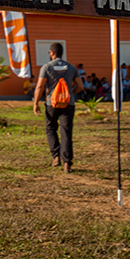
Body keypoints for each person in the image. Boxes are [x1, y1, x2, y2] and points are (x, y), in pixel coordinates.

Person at [32, 42, 84, 173]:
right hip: (68, 103)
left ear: (52, 53)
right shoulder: (72, 68)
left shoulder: (47, 67)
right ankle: (67, 163)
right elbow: (80, 86)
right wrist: (70, 93)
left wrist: (36, 103)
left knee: (50, 128)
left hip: (52, 103)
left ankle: (56, 157)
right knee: (66, 131)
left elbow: (39, 86)